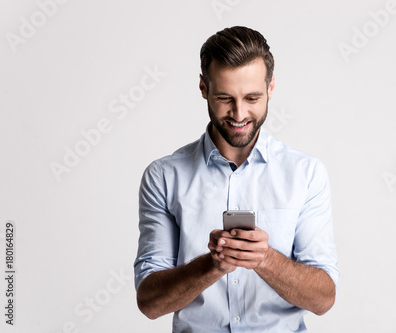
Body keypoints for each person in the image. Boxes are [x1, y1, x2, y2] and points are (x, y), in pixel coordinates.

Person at [134, 26, 339, 332]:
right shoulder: (163, 177)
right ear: (203, 88)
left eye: (252, 97)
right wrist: (212, 265)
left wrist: (265, 260)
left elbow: (323, 299)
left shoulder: (306, 174)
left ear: (270, 89)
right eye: (224, 97)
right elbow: (150, 303)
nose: (239, 113)